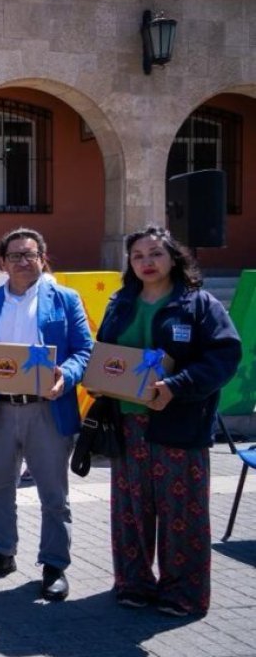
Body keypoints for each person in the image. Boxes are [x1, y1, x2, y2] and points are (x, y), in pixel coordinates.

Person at [95, 225, 240, 617]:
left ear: (174, 258)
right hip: (127, 425)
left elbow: (224, 356)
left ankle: (183, 593)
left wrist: (177, 386)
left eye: (155, 253)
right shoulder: (121, 303)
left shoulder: (199, 304)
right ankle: (134, 583)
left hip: (179, 423)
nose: (147, 262)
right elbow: (105, 351)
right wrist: (99, 378)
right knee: (130, 510)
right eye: (138, 256)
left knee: (182, 513)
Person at [0, 227, 92, 601]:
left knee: (53, 493)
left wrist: (66, 376)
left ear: (43, 259)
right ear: (1, 263)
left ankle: (54, 565)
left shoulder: (65, 299)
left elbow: (84, 350)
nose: (22, 261)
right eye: (14, 255)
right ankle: (1, 553)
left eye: (30, 254)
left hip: (47, 409)